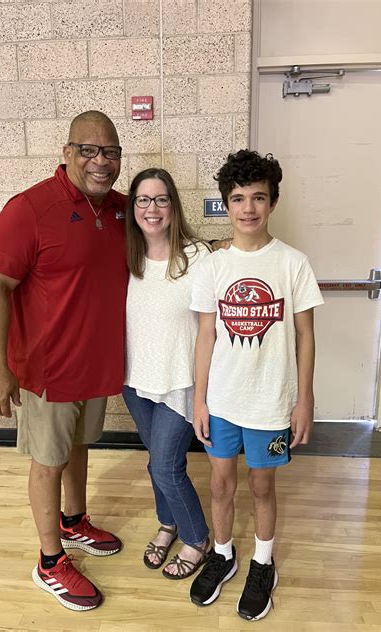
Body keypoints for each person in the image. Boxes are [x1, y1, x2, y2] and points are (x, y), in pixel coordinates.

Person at [0, 111, 128, 612]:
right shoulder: (30, 208)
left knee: (78, 447)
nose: (100, 161)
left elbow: (169, 242)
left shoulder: (122, 210)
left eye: (110, 151)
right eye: (88, 149)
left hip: (94, 365)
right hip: (46, 369)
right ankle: (49, 561)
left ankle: (73, 519)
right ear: (67, 153)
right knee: (48, 461)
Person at [189, 150, 323, 621]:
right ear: (226, 204)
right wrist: (199, 399)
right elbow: (206, 334)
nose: (248, 208)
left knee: (261, 487)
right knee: (220, 483)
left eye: (258, 198)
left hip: (271, 401)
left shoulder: (293, 263)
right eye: (238, 198)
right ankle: (222, 554)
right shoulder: (211, 267)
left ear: (273, 202)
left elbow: (305, 335)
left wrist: (304, 399)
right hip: (222, 400)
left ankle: (263, 564)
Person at [123, 168, 212, 580]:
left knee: (166, 467)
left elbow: (211, 330)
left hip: (180, 383)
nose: (152, 208)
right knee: (154, 462)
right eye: (143, 200)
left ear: (173, 206)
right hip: (136, 382)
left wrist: (204, 393)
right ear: (133, 207)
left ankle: (196, 538)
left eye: (161, 199)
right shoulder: (124, 259)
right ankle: (167, 523)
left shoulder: (197, 257)